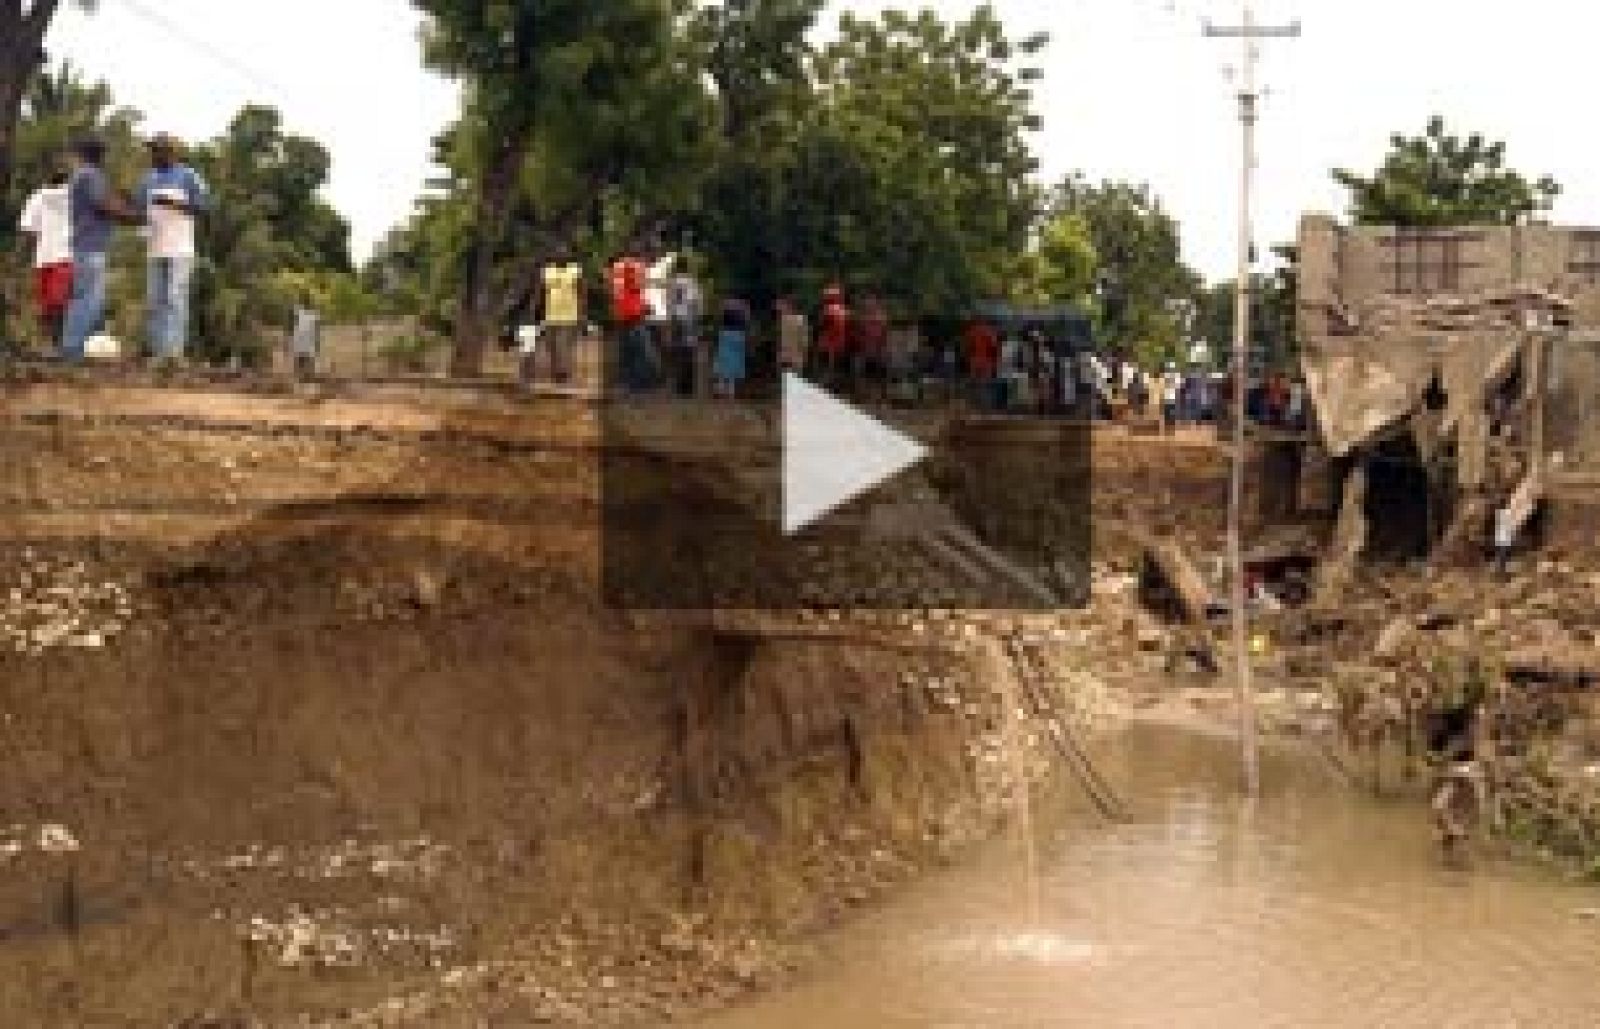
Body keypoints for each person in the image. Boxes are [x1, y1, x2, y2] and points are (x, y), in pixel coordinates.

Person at [61, 137, 139, 363]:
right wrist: (135, 216)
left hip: (84, 246)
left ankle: (77, 350)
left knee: (86, 299)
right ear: (100, 156)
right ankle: (73, 352)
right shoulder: (90, 175)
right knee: (88, 300)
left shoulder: (83, 176)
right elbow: (103, 205)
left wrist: (123, 207)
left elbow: (105, 203)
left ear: (81, 154)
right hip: (90, 247)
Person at [136, 133, 209, 363]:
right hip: (155, 247)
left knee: (175, 299)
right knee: (154, 300)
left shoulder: (189, 176)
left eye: (157, 150)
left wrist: (172, 204)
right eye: (151, 150)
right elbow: (139, 209)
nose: (153, 154)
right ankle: (157, 354)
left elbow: (203, 208)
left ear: (170, 152)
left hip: (180, 248)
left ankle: (174, 355)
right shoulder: (147, 179)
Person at [17, 167, 73, 350]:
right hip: (66, 256)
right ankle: (58, 344)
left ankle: (50, 344)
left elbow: (27, 230)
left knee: (47, 304)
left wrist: (19, 258)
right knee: (59, 303)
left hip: (43, 258)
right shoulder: (75, 197)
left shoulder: (38, 196)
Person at [539, 246, 584, 388]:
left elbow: (582, 290)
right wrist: (539, 310)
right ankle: (555, 372)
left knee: (564, 344)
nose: (561, 255)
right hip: (550, 313)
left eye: (564, 253)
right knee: (551, 345)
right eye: (558, 253)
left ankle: (564, 374)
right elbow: (541, 290)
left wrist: (582, 312)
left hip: (569, 313)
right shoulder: (548, 270)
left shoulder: (575, 270)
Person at [609, 248, 652, 392]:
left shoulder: (616, 268)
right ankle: (638, 382)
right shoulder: (637, 266)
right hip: (635, 313)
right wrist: (646, 306)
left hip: (621, 313)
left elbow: (615, 292)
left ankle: (624, 381)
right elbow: (639, 287)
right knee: (639, 348)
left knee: (624, 348)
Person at [665, 258, 701, 398]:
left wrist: (669, 322)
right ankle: (688, 387)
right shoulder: (692, 283)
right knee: (689, 352)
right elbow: (697, 303)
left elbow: (669, 304)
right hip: (689, 320)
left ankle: (678, 386)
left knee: (677, 352)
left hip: (676, 319)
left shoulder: (672, 283)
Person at [854, 293, 890, 401]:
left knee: (875, 376)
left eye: (870, 302)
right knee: (867, 375)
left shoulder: (877, 317)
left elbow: (884, 335)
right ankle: (868, 396)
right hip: (867, 350)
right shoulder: (869, 317)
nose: (868, 304)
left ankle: (876, 396)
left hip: (874, 351)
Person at [714, 295, 751, 399]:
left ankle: (721, 388)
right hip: (739, 335)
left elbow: (720, 317)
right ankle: (730, 390)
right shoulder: (743, 306)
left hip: (726, 334)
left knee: (724, 360)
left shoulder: (725, 304)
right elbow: (747, 320)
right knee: (735, 361)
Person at [816, 285, 851, 388]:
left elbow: (821, 326)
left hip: (827, 345)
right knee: (835, 370)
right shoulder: (845, 311)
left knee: (826, 370)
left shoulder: (828, 310)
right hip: (840, 345)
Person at [962, 318, 999, 410]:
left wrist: (968, 359)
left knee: (975, 383)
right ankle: (984, 407)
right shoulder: (990, 332)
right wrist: (995, 363)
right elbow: (994, 348)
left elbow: (967, 347)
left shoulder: (972, 332)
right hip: (986, 362)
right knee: (985, 384)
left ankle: (974, 406)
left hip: (975, 361)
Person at [290, 293, 321, 378]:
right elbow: (316, 332)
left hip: (300, 342)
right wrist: (317, 344)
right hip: (307, 342)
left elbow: (294, 329)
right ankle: (306, 376)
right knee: (307, 361)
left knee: (301, 361)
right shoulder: (313, 315)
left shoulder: (299, 314)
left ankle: (300, 377)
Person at [777, 297, 809, 376]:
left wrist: (803, 353)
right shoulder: (785, 320)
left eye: (783, 306)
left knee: (794, 376)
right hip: (789, 354)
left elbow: (803, 339)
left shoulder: (798, 320)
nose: (780, 310)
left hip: (795, 354)